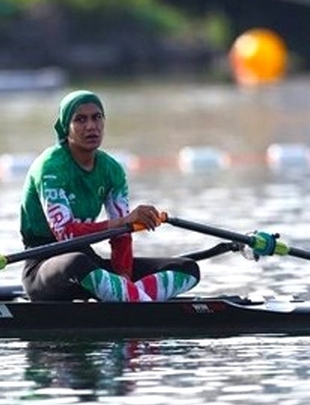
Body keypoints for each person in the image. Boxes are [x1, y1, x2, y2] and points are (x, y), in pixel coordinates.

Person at [19, 89, 201, 302]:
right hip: (46, 268)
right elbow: (66, 235)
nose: (90, 126)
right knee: (77, 262)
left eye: (97, 117)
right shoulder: (50, 167)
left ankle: (125, 296)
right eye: (80, 119)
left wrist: (123, 274)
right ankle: (136, 301)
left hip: (89, 265)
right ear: (65, 127)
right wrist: (124, 221)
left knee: (187, 268)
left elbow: (122, 234)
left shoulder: (112, 169)